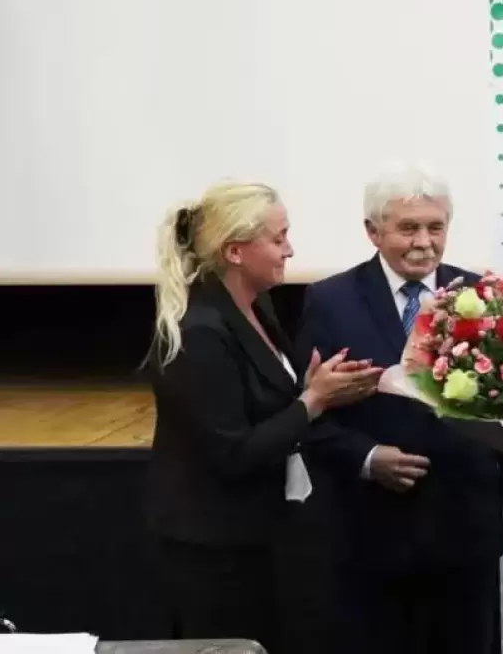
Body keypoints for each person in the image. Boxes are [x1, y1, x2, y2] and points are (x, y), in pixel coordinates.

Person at [294, 162, 503, 654]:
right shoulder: (330, 300)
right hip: (369, 540)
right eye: (408, 227)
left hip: (465, 539)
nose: (424, 242)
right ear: (373, 231)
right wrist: (367, 458)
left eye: (436, 227)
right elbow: (308, 415)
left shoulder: (485, 298)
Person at [144, 182, 383, 653]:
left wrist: (310, 386)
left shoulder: (254, 308)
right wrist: (313, 401)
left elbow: (264, 401)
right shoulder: (199, 332)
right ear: (235, 251)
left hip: (262, 539)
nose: (289, 250)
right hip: (214, 552)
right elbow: (233, 453)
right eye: (278, 238)